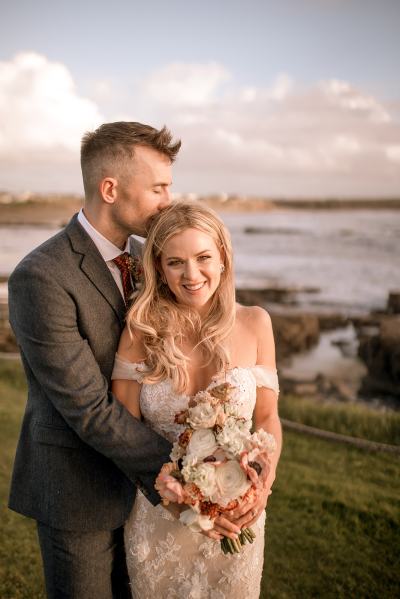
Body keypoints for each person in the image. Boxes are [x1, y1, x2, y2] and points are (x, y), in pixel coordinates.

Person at [8, 121, 183, 598]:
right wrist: (189, 465)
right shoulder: (40, 277)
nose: (169, 200)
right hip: (77, 491)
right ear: (111, 188)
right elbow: (87, 407)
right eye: (158, 187)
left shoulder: (156, 262)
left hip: (151, 496)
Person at [112, 201, 282, 598]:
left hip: (239, 515)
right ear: (158, 267)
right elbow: (122, 433)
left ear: (222, 257)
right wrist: (177, 504)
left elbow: (269, 416)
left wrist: (263, 485)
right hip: (160, 518)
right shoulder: (140, 332)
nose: (191, 275)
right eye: (175, 262)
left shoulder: (257, 323)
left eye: (203, 257)